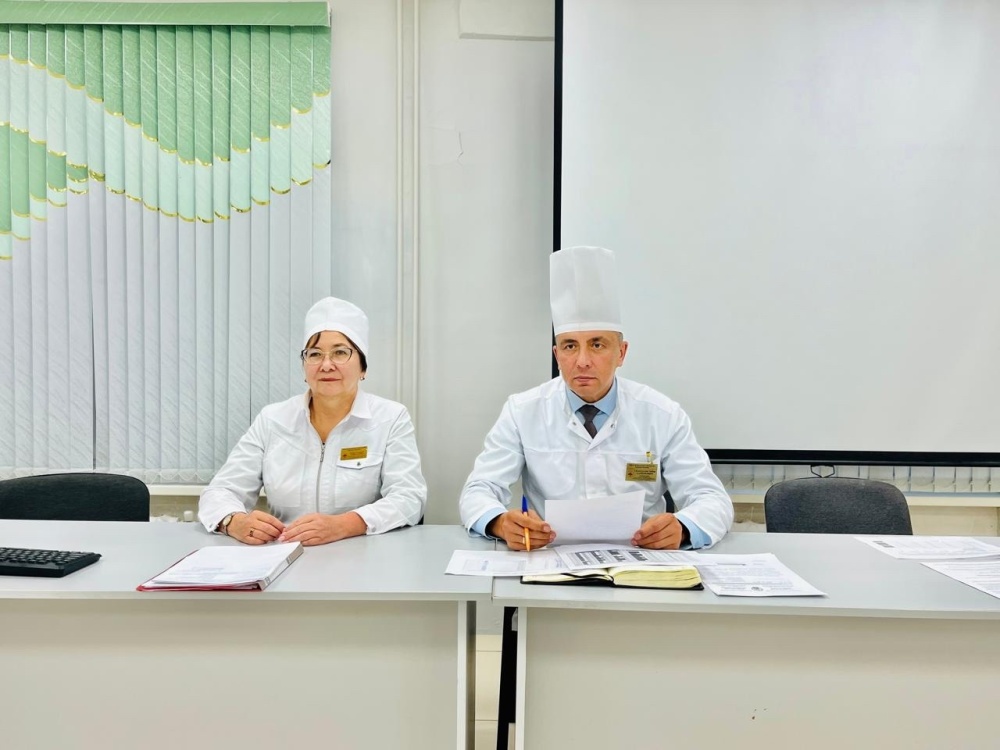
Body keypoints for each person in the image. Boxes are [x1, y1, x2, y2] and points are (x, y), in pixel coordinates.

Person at [459, 246, 733, 550]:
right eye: (570, 346)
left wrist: (683, 528)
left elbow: (712, 499)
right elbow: (478, 490)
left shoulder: (662, 415)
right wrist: (499, 522)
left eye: (597, 345)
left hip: (641, 560)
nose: (582, 361)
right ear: (557, 355)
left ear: (622, 353)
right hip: (548, 561)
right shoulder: (522, 412)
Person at [199, 297, 427, 545]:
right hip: (284, 551)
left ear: (363, 367)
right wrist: (233, 521)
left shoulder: (390, 418)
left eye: (340, 353)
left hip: (360, 550)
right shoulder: (273, 420)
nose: (326, 365)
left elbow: (409, 498)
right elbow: (220, 491)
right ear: (304, 366)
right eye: (315, 354)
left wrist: (345, 525)